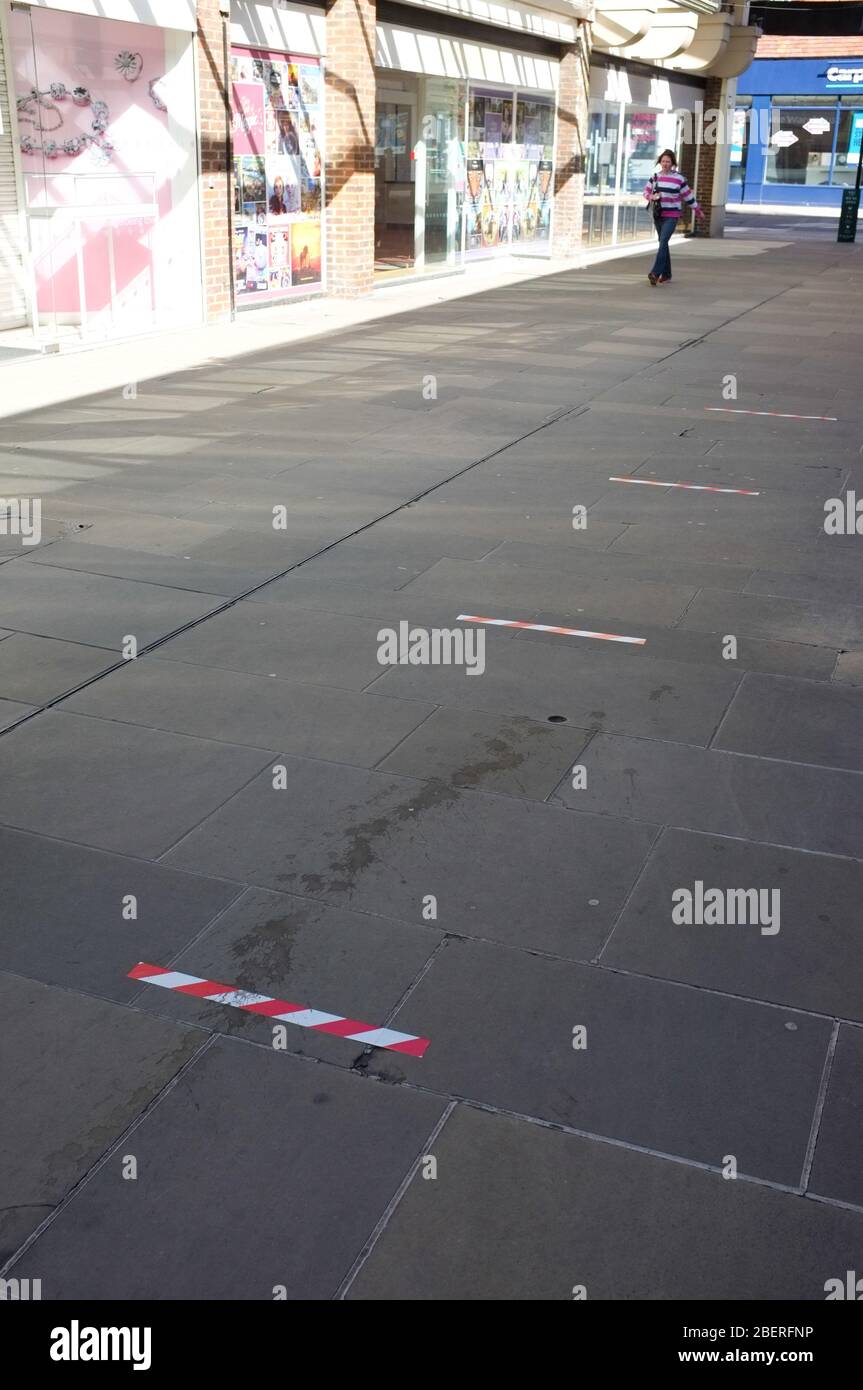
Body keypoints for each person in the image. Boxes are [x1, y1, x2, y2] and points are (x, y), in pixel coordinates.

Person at [644, 149, 703, 286]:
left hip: (672, 215)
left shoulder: (679, 179)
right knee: (663, 243)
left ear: (672, 163)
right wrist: (651, 196)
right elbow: (646, 191)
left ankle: (655, 273)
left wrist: (698, 210)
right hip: (659, 215)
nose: (665, 164)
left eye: (668, 162)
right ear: (660, 162)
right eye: (663, 161)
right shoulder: (655, 177)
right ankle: (667, 274)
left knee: (663, 241)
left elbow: (688, 196)